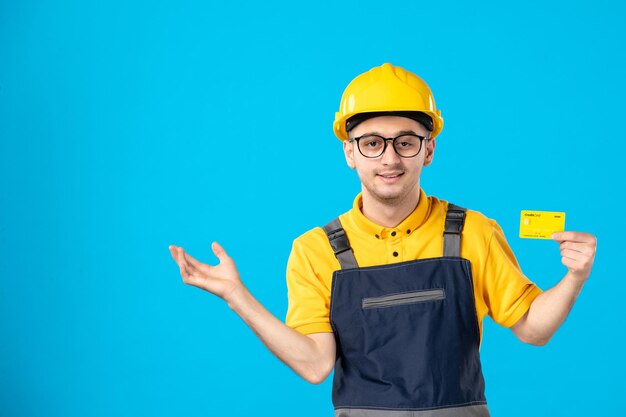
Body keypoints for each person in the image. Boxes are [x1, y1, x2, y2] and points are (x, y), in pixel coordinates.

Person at [169, 63, 597, 417]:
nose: (390, 158)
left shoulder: (473, 232)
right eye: (372, 143)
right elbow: (316, 365)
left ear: (428, 151)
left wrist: (574, 277)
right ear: (350, 152)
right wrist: (236, 295)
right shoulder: (315, 250)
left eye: (405, 142)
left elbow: (533, 329)